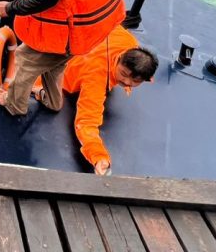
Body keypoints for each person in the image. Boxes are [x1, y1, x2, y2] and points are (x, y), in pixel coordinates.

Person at [61, 25, 158, 175]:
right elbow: (87, 122)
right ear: (119, 59)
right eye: (123, 74)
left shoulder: (127, 40)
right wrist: (98, 156)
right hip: (62, 72)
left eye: (135, 81)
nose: (127, 82)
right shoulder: (96, 76)